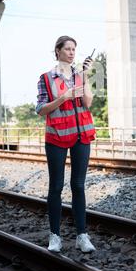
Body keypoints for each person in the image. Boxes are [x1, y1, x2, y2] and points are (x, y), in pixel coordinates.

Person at [36, 35, 96, 253]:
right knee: (56, 187)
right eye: (68, 49)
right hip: (56, 137)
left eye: (74, 49)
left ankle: (82, 236)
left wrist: (86, 75)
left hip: (81, 137)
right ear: (58, 51)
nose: (72, 52)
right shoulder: (46, 78)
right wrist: (64, 97)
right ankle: (55, 237)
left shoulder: (80, 76)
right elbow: (41, 109)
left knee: (78, 186)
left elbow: (88, 103)